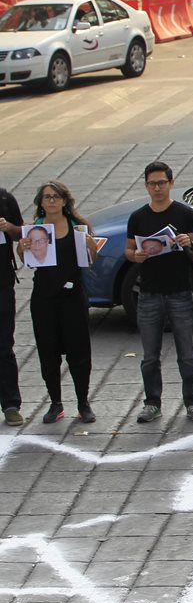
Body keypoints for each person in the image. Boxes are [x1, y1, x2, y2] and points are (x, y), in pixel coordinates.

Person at [126, 161, 193, 424]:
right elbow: (129, 251)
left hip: (181, 291)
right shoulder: (138, 217)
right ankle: (152, 402)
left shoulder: (184, 214)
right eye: (152, 184)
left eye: (162, 183)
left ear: (171, 183)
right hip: (149, 292)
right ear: (146, 186)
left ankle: (192, 402)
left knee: (187, 353)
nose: (157, 188)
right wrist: (136, 255)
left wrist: (189, 243)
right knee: (150, 356)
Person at [19, 182, 98, 424]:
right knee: (48, 351)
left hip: (72, 297)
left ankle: (83, 402)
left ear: (65, 201)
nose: (51, 201)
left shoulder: (77, 227)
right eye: (46, 197)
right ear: (40, 203)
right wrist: (22, 250)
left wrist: (91, 245)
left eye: (56, 197)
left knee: (79, 351)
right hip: (44, 298)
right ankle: (55, 403)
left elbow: (90, 259)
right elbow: (28, 262)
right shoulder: (35, 229)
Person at [0, 187, 24, 426]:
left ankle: (10, 404)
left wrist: (9, 228)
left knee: (4, 347)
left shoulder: (4, 198)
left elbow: (22, 233)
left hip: (2, 284)